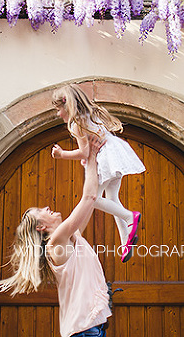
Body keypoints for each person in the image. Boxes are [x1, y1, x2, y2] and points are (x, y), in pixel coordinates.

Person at [0, 143, 112, 337]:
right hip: (84, 330)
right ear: (40, 227)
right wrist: (91, 155)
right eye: (40, 211)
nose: (46, 208)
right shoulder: (56, 242)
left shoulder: (72, 237)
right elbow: (89, 197)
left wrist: (92, 161)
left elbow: (93, 198)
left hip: (90, 328)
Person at [50, 84, 144, 262]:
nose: (58, 114)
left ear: (66, 105)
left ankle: (129, 216)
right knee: (112, 198)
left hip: (105, 158)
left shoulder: (76, 124)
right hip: (115, 152)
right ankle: (126, 240)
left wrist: (61, 154)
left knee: (92, 198)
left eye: (58, 109)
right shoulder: (92, 114)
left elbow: (84, 152)